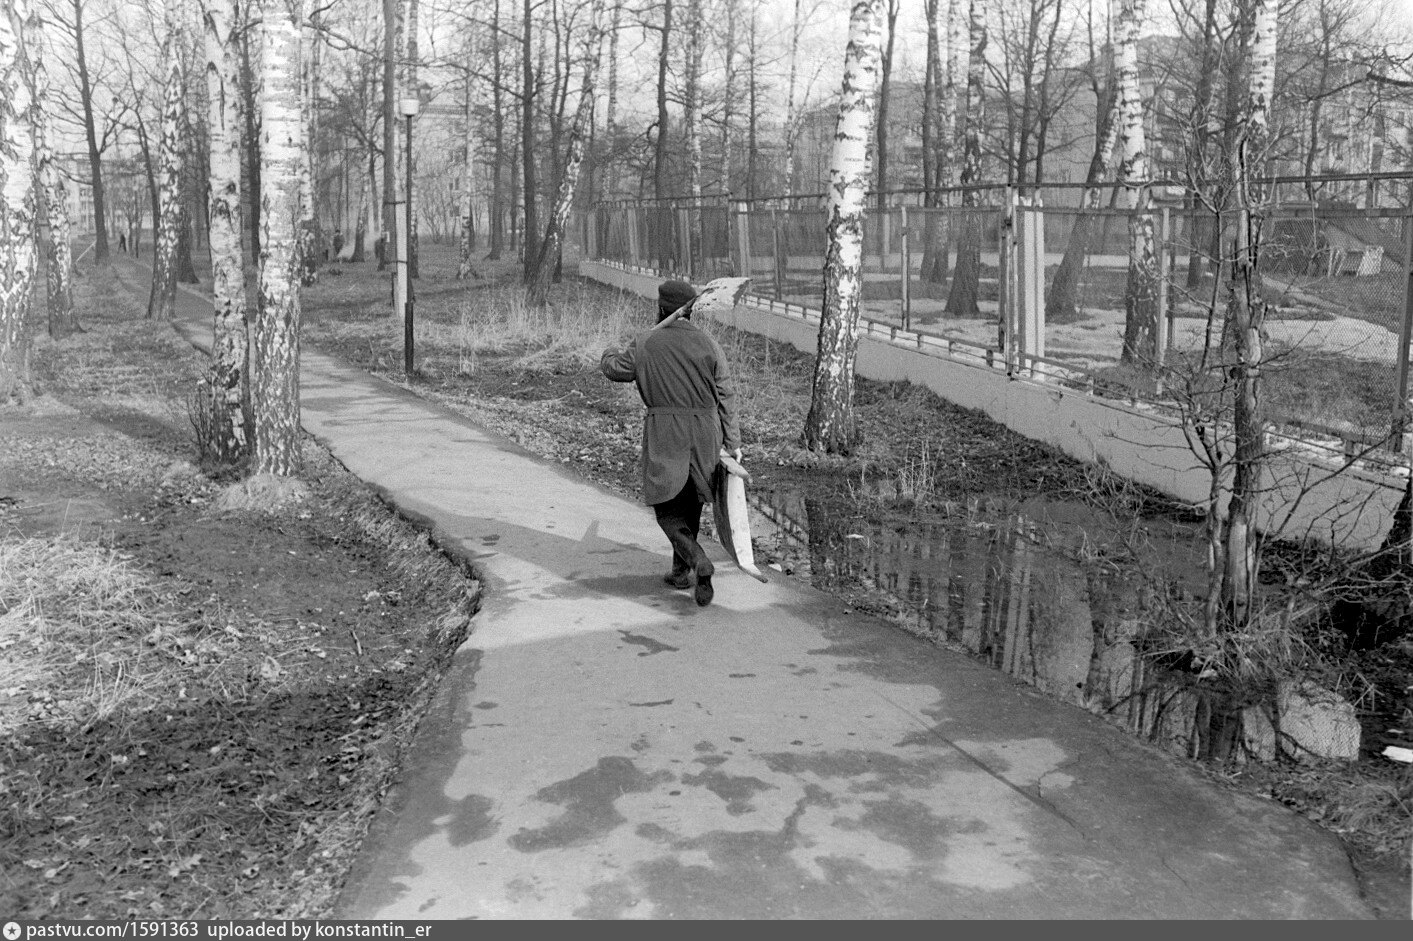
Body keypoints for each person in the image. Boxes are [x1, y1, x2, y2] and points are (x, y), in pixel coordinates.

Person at [601, 279, 741, 607]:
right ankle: (680, 573)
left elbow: (616, 370)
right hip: (706, 432)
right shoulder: (710, 344)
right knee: (691, 502)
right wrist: (732, 441)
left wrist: (609, 352)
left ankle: (697, 559)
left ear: (662, 308)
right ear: (689, 311)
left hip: (667, 431)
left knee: (666, 507)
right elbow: (725, 394)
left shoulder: (646, 342)